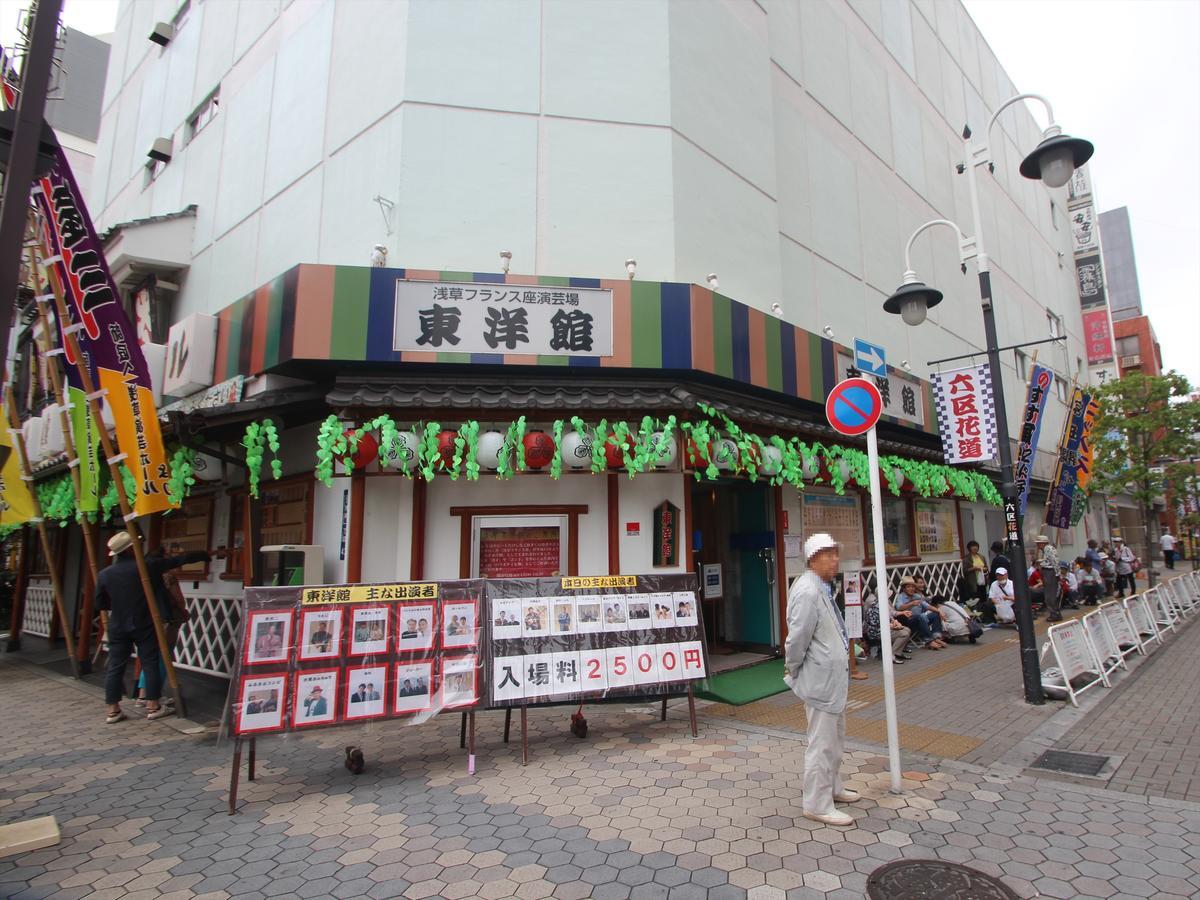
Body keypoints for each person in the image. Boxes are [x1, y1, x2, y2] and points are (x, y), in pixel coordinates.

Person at [95, 532, 214, 724]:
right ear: (130, 549)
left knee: (115, 666)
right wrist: (203, 555)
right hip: (144, 622)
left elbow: (100, 603)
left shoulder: (104, 574)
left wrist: (120, 604)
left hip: (118, 624)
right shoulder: (145, 567)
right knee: (150, 662)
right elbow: (178, 560)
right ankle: (153, 705)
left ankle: (113, 710)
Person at [782, 533, 859, 827]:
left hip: (831, 680)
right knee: (822, 744)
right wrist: (793, 668)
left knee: (835, 740)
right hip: (819, 680)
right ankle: (816, 803)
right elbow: (797, 637)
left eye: (835, 554)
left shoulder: (821, 587)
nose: (835, 560)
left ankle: (833, 788)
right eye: (829, 555)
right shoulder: (807, 590)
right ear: (813, 558)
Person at [893, 577, 946, 649]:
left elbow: (927, 606)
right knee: (920, 616)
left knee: (935, 614)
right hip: (908, 621)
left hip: (921, 619)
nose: (911, 589)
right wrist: (911, 604)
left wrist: (939, 611)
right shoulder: (901, 597)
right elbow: (899, 608)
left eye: (913, 587)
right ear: (904, 589)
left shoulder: (917, 596)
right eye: (908, 587)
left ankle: (936, 637)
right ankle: (929, 641)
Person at [864, 590, 912, 664]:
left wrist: (895, 623)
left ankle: (897, 653)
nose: (889, 598)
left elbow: (890, 616)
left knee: (907, 630)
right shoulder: (875, 609)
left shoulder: (882, 605)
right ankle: (891, 655)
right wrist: (893, 626)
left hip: (883, 628)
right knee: (903, 634)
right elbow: (877, 624)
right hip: (877, 632)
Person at [1034, 535, 1061, 622]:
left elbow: (1054, 561)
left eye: (1038, 543)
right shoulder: (1047, 549)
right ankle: (1055, 613)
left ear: (1043, 543)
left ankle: (1054, 614)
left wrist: (1057, 573)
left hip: (1050, 573)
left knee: (1050, 595)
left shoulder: (1047, 549)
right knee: (1050, 594)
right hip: (1049, 573)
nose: (1037, 546)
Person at [962, 540, 989, 612]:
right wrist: (974, 568)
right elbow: (965, 570)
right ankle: (976, 611)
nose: (975, 548)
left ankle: (985, 612)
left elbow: (986, 567)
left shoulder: (981, 557)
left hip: (982, 580)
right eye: (973, 547)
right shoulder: (967, 558)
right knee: (975, 598)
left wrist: (984, 569)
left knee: (983, 597)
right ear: (969, 548)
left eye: (976, 547)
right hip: (973, 581)